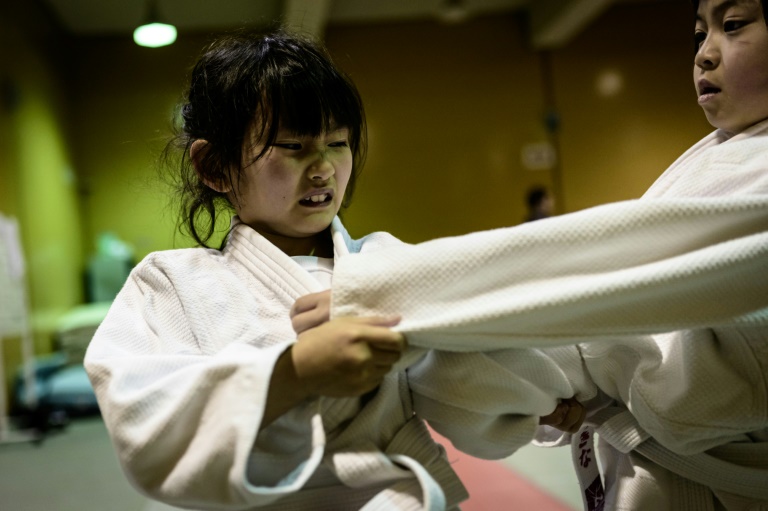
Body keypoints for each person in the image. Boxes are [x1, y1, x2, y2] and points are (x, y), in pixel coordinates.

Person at [84, 30, 584, 511]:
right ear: (216, 166)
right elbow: (144, 418)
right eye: (293, 146)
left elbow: (463, 378)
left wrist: (530, 392)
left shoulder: (386, 263)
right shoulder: (170, 284)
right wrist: (294, 372)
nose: (323, 167)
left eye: (338, 143)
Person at [298, 0, 768, 508]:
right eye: (698, 34)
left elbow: (629, 278)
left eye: (734, 24)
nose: (703, 55)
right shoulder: (725, 149)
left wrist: (403, 293)